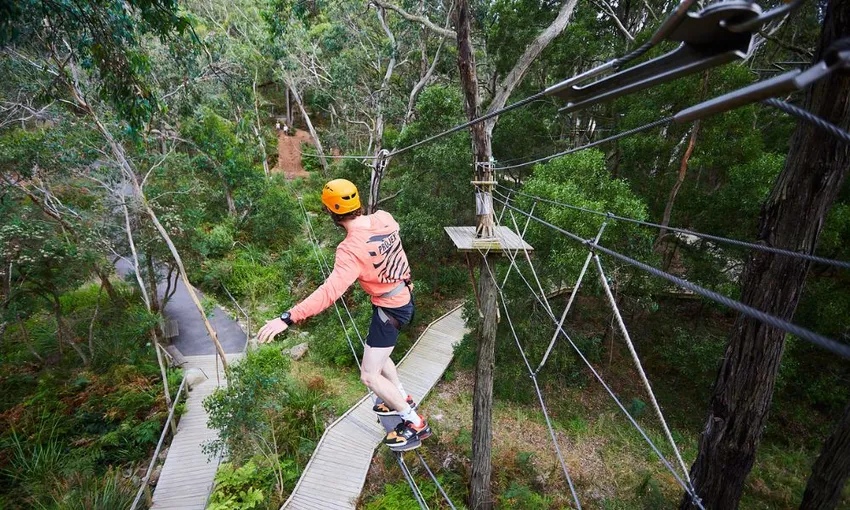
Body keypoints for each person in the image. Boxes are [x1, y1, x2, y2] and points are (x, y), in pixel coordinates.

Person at [257, 179, 429, 448]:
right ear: (357, 202)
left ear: (330, 212)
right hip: (400, 296)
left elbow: (328, 293)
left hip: (391, 308)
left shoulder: (349, 250)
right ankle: (399, 397)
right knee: (377, 353)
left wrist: (288, 317)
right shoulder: (385, 218)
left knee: (369, 375)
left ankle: (414, 422)